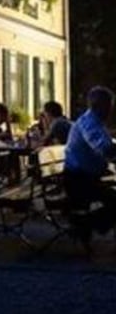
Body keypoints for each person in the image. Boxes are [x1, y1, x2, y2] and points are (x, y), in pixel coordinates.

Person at [63, 86, 116, 236]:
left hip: (87, 177)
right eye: (109, 105)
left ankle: (88, 223)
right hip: (79, 180)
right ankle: (84, 223)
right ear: (100, 105)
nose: (111, 110)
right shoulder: (89, 122)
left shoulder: (95, 122)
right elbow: (104, 147)